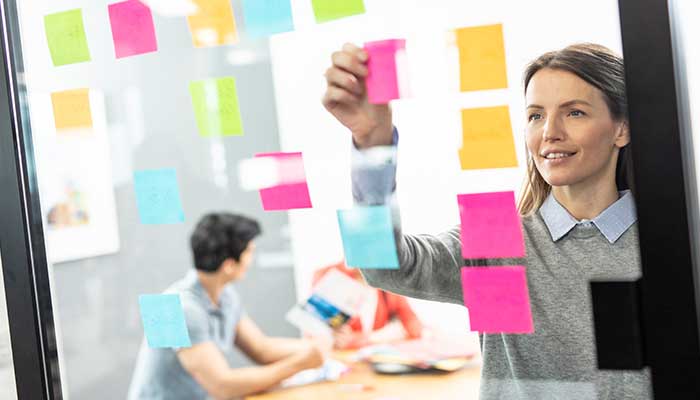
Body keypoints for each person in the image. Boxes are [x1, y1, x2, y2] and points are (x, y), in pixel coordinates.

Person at [322, 42, 651, 399]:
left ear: (621, 129)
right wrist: (372, 145)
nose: (549, 132)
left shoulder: (668, 242)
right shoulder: (498, 238)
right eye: (535, 115)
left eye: (574, 113)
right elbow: (379, 266)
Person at [128, 213, 324, 400]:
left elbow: (262, 348)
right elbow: (223, 386)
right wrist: (298, 364)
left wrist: (317, 346)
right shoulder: (176, 308)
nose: (251, 259)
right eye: (249, 252)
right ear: (229, 265)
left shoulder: (224, 294)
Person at [312, 261, 422, 350]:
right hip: (338, 364)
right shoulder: (328, 275)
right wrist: (380, 336)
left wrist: (360, 339)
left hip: (373, 366)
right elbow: (318, 335)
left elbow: (414, 327)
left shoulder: (386, 280)